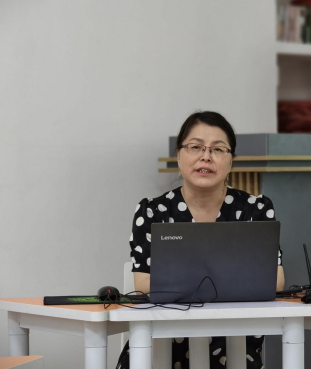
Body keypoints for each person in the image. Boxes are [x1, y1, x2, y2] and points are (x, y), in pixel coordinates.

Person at [117, 111, 284, 369]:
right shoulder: (152, 212)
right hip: (164, 341)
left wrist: (179, 284)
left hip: (235, 342)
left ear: (231, 160)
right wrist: (231, 283)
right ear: (179, 155)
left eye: (218, 149)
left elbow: (275, 281)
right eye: (195, 147)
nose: (206, 156)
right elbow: (144, 285)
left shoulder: (255, 209)